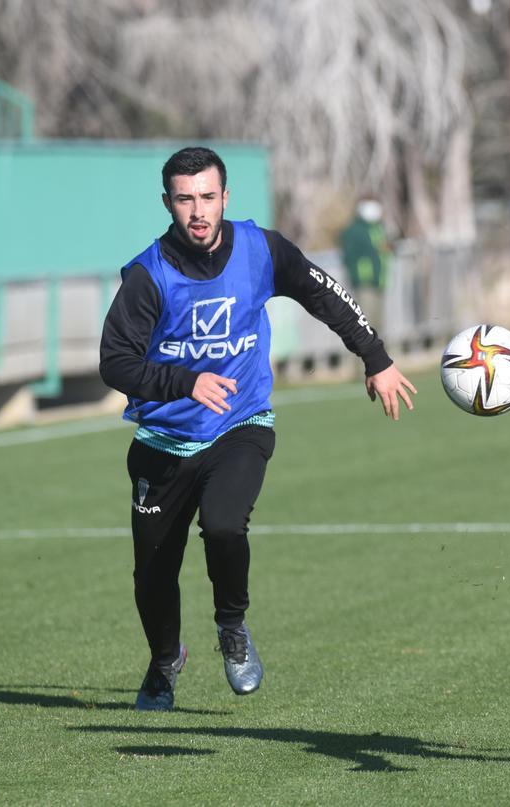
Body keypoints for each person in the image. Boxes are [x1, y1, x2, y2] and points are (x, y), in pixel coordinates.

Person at [100, 147, 416, 711]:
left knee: (223, 525)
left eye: (207, 197)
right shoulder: (147, 275)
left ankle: (232, 628)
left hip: (240, 424)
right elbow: (115, 363)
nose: (197, 210)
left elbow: (326, 295)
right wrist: (184, 381)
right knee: (152, 573)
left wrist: (376, 357)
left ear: (226, 197)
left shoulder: (261, 250)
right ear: (168, 203)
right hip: (162, 443)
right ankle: (165, 659)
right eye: (184, 198)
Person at [338, 196, 393, 331]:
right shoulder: (354, 230)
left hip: (379, 281)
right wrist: (357, 275)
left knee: (378, 324)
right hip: (364, 282)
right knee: (364, 324)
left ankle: (379, 351)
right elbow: (349, 256)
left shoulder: (378, 227)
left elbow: (381, 249)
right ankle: (359, 352)